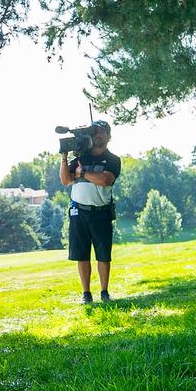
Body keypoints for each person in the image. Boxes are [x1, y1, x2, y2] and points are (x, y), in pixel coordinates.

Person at [60, 120, 120, 303]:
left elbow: (105, 180)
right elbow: (65, 180)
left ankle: (104, 292)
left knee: (103, 254)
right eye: (95, 133)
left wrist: (83, 173)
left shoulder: (113, 160)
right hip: (79, 212)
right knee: (82, 254)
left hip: (101, 212)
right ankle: (86, 293)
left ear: (108, 136)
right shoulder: (79, 158)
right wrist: (64, 158)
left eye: (101, 133)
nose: (97, 136)